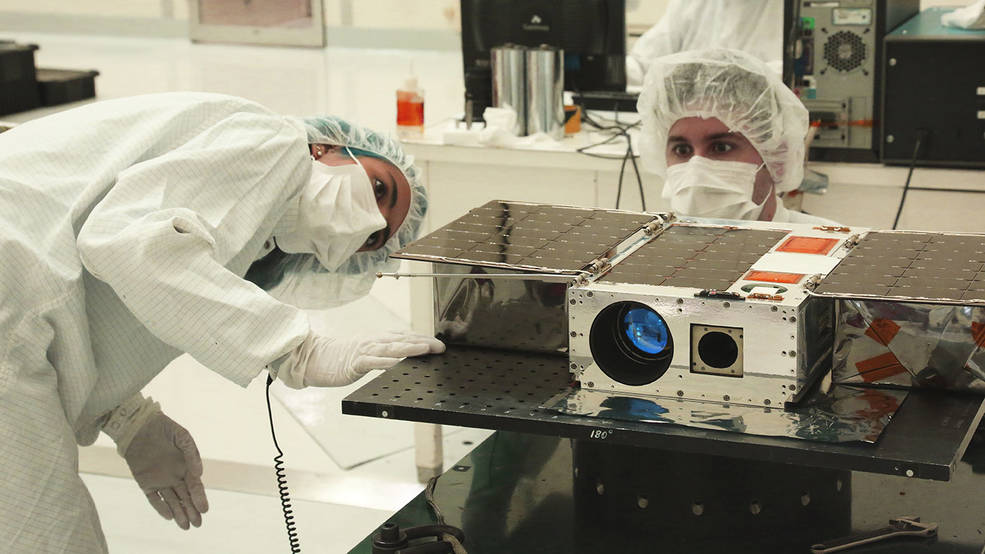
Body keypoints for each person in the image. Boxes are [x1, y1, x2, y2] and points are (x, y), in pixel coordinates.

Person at [0, 91, 445, 552]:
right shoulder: (275, 145)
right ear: (328, 148)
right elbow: (128, 242)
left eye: (374, 237)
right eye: (378, 188)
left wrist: (128, 418)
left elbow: (106, 292)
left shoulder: (242, 240)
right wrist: (296, 350)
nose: (367, 218)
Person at [637, 48, 838, 225]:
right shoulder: (643, 256)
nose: (696, 169)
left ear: (777, 157)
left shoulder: (833, 251)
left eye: (721, 148)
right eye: (682, 150)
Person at [626, 0, 783, 87]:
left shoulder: (791, 9)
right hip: (690, 133)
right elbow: (642, 65)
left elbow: (789, 82)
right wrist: (609, 68)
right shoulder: (690, 4)